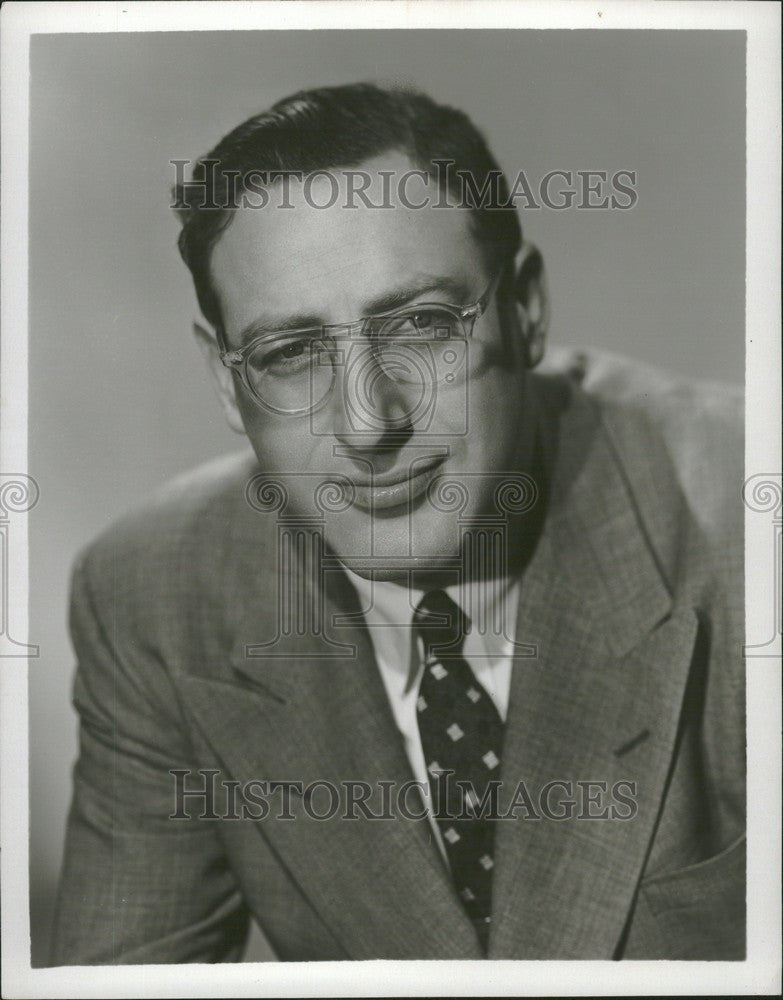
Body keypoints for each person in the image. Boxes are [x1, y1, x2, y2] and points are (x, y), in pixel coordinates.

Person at [51, 83, 744, 963]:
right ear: (228, 381)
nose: (367, 422)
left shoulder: (749, 521)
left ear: (524, 308)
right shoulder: (155, 595)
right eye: (291, 353)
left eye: (419, 325)